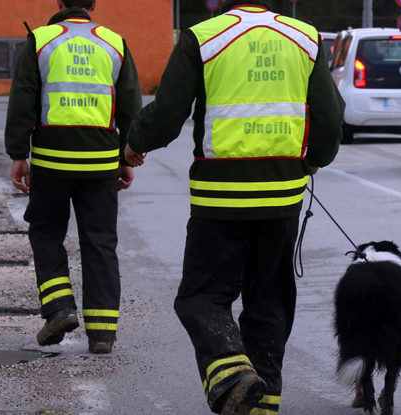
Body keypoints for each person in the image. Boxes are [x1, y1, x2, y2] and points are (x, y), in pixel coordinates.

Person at [125, 0, 344, 413]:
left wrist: (135, 144)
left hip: (220, 197)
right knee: (270, 302)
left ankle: (230, 373)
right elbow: (331, 119)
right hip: (282, 196)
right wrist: (315, 157)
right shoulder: (305, 37)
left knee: (201, 297)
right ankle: (263, 405)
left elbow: (170, 112)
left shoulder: (203, 37)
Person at [4, 0, 141, 354]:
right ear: (93, 4)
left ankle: (59, 309)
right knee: (99, 241)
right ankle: (102, 334)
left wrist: (19, 154)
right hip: (99, 162)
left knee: (47, 231)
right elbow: (129, 105)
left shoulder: (41, 40)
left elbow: (23, 99)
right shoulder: (114, 42)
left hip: (51, 161)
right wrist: (125, 156)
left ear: (59, 3)